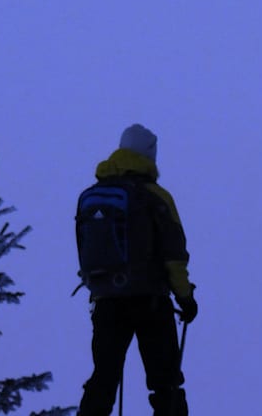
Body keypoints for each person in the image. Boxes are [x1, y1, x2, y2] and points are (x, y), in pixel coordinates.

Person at [78, 124, 197, 416]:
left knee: (103, 379)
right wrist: (185, 298)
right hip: (150, 301)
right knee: (165, 383)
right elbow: (174, 255)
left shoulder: (92, 196)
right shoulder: (156, 196)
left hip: (106, 300)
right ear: (149, 155)